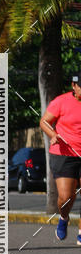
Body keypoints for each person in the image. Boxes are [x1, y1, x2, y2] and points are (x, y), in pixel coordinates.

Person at [40, 72, 81, 244]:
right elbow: (44, 122)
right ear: (74, 86)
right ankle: (64, 218)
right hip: (64, 153)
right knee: (66, 197)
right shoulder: (61, 101)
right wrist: (53, 134)